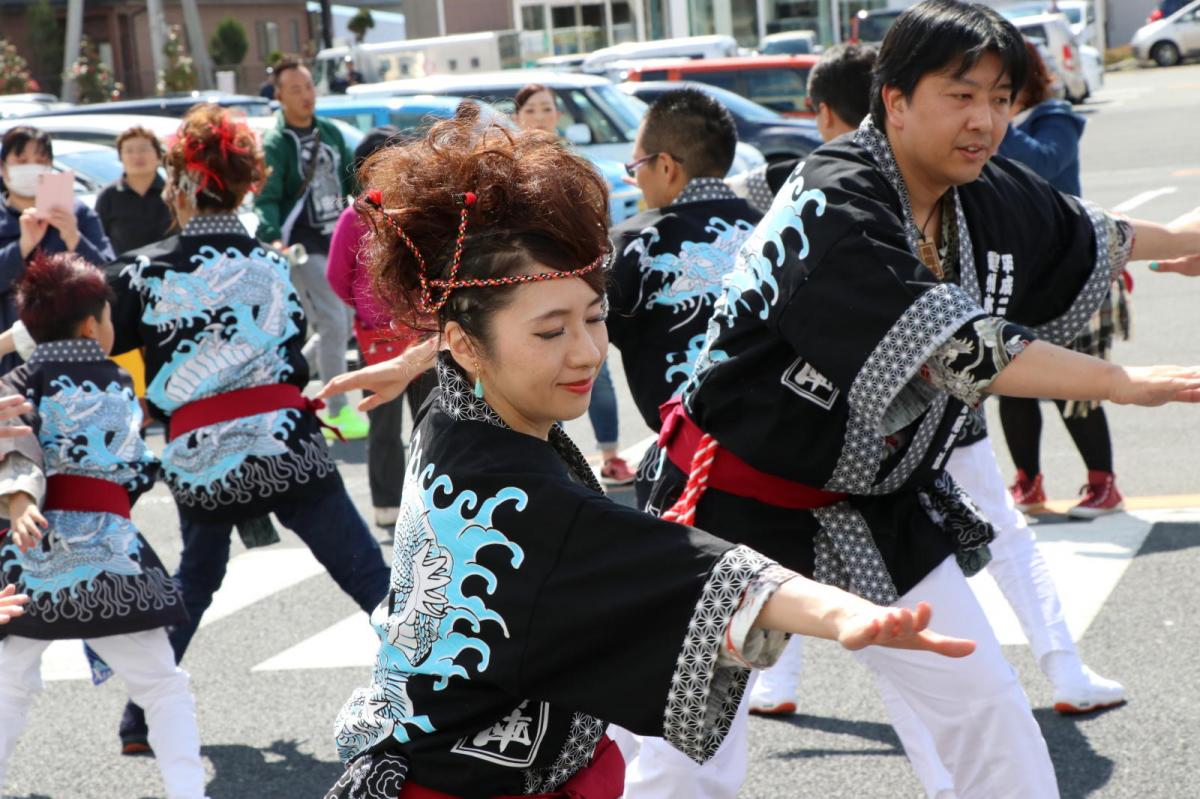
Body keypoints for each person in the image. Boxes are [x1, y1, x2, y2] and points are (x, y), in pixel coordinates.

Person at [320, 106, 976, 799]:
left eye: (595, 317)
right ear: (464, 343)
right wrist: (842, 613)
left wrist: (410, 363)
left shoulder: (453, 405)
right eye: (552, 332)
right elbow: (686, 567)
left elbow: (474, 320)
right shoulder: (512, 497)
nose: (587, 352)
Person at [629, 2, 1200, 798]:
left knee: (987, 709)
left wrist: (1183, 242)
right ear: (893, 100)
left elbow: (1086, 232)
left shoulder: (985, 189)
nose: (987, 120)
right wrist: (1117, 382)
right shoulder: (831, 197)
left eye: (1002, 97)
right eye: (961, 95)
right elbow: (954, 347)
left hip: (876, 500)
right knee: (689, 748)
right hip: (735, 497)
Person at [106, 104, 390, 755]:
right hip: (284, 445)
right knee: (367, 575)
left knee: (195, 581)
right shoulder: (271, 263)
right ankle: (439, 694)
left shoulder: (144, 270)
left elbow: (99, 335)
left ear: (180, 185)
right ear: (244, 184)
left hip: (200, 456)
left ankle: (139, 719)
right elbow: (291, 355)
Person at [0, 252, 206, 799]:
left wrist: (20, 500)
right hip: (112, 556)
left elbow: (16, 449)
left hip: (33, 556)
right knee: (163, 686)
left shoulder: (18, 380)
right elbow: (135, 469)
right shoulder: (116, 381)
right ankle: (189, 790)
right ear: (93, 325)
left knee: (8, 686)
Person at [607, 88, 761, 506]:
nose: (635, 177)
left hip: (690, 476)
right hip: (788, 467)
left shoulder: (638, 243)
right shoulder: (775, 232)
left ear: (667, 166)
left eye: (636, 164)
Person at [997, 42, 1129, 517]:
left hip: (1067, 274)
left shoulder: (1055, 117)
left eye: (998, 84)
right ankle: (1027, 484)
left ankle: (1103, 484)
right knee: (1010, 378)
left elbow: (1039, 164)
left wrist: (997, 120)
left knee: (1073, 384)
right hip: (1014, 271)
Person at [513, 83, 634, 486]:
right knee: (539, 375)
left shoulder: (577, 164)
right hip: (530, 292)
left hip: (579, 280)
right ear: (519, 118)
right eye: (532, 110)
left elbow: (600, 222)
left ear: (558, 116)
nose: (541, 116)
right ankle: (550, 461)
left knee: (594, 369)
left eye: (548, 108)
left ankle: (611, 455)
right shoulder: (507, 169)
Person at [326, 126, 439, 527]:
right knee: (384, 424)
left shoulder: (419, 212)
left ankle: (429, 502)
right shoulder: (353, 217)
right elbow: (338, 276)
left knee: (432, 421)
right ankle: (388, 505)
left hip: (425, 333)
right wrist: (367, 312)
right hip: (378, 336)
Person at [255, 55, 369, 440]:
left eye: (308, 86)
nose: (306, 95)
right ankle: (336, 410)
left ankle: (281, 388)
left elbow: (350, 185)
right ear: (280, 96)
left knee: (336, 322)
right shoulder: (277, 142)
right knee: (334, 322)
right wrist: (271, 235)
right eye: (296, 89)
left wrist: (366, 214)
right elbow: (267, 195)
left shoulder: (330, 133)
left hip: (338, 236)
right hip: (301, 244)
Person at [0, 126, 114, 372]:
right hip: (7, 359)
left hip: (72, 355)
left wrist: (74, 237)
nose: (31, 167)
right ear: (3, 168)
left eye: (41, 161)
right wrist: (22, 247)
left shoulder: (77, 213)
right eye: (21, 160)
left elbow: (109, 275)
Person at [95, 127, 173, 256]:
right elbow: (100, 242)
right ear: (120, 157)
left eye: (144, 149)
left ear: (158, 155)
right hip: (123, 272)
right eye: (129, 151)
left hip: (171, 272)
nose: (137, 156)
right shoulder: (108, 196)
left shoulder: (172, 193)